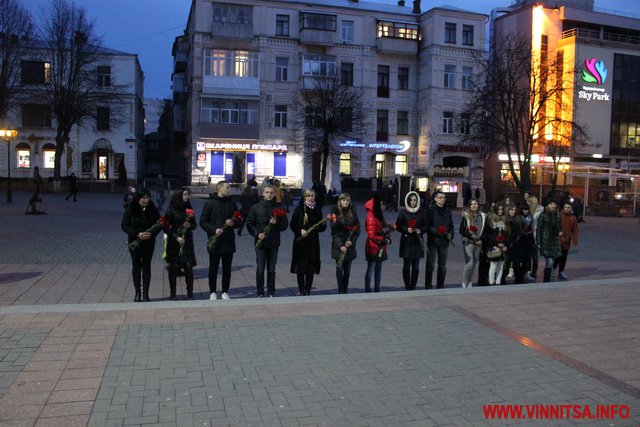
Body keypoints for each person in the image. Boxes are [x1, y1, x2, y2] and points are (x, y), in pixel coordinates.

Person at [200, 180, 241, 300]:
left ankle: (225, 291)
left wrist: (233, 222)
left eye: (229, 188)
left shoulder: (232, 203)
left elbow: (238, 220)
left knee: (227, 268)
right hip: (215, 241)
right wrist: (213, 230)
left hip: (228, 241)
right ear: (219, 189)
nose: (229, 190)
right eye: (227, 188)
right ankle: (212, 291)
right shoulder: (210, 203)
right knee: (213, 267)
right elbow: (203, 221)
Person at [246, 184, 289, 297]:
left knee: (271, 268)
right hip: (260, 243)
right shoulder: (255, 207)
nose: (269, 195)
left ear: (274, 193)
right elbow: (249, 224)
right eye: (267, 192)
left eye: (271, 192)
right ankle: (260, 291)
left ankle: (271, 291)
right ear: (262, 193)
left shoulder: (279, 208)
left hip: (274, 242)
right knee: (260, 268)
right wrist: (257, 234)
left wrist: (277, 223)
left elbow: (285, 225)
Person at [121, 188, 161, 302]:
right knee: (136, 267)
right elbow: (124, 225)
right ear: (138, 199)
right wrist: (137, 234)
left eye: (147, 198)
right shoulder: (131, 209)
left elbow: (160, 223)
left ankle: (146, 294)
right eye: (143, 198)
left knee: (147, 267)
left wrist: (151, 233)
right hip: (135, 242)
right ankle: (137, 293)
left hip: (148, 243)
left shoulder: (153, 209)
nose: (146, 200)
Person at [290, 189, 326, 296]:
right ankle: (301, 290)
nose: (310, 197)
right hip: (300, 242)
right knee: (301, 267)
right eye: (308, 196)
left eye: (312, 196)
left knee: (310, 267)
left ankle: (308, 290)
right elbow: (293, 224)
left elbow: (321, 227)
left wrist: (322, 224)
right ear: (304, 197)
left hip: (313, 242)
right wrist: (300, 230)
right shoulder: (299, 209)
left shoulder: (317, 209)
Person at [164, 189, 197, 300]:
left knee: (188, 266)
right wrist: (176, 237)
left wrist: (189, 225)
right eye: (185, 194)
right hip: (174, 242)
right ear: (179, 196)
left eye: (187, 194)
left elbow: (194, 224)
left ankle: (190, 292)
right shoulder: (171, 210)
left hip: (187, 241)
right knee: (174, 267)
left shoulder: (189, 209)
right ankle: (173, 293)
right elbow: (166, 227)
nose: (187, 196)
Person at [395, 191, 427, 290]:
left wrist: (420, 230)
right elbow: (398, 226)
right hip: (406, 241)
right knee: (406, 266)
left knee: (416, 266)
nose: (413, 202)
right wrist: (406, 229)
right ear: (408, 201)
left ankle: (413, 285)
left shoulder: (421, 211)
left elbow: (426, 225)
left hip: (417, 241)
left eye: (415, 200)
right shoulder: (403, 212)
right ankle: (407, 286)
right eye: (411, 200)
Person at [330, 193, 360, 294]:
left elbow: (357, 229)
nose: (346, 202)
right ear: (340, 201)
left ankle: (345, 289)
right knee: (339, 269)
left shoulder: (353, 212)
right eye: (344, 200)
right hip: (338, 247)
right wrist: (340, 245)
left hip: (349, 246)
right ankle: (340, 290)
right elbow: (334, 231)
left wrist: (351, 241)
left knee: (347, 270)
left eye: (347, 200)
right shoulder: (335, 213)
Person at [424, 190, 454, 289]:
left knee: (442, 265)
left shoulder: (448, 211)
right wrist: (438, 232)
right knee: (430, 265)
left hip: (444, 242)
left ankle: (440, 284)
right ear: (435, 199)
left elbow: (451, 225)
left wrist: (450, 234)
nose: (442, 199)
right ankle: (428, 284)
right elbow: (428, 226)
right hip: (433, 240)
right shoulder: (431, 210)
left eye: (444, 197)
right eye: (440, 197)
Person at [364, 194, 391, 292]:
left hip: (380, 247)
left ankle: (377, 288)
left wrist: (389, 229)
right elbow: (371, 235)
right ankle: (368, 288)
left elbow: (384, 227)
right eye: (380, 203)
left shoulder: (378, 215)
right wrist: (383, 239)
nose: (382, 205)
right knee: (371, 269)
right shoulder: (371, 217)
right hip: (373, 247)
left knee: (378, 269)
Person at [459, 198, 489, 288]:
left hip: (478, 243)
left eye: (475, 204)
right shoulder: (466, 216)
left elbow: (486, 231)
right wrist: (470, 236)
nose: (474, 206)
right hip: (468, 242)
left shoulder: (483, 216)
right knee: (470, 263)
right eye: (472, 204)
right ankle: (464, 281)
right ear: (469, 206)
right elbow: (462, 230)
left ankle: (470, 281)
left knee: (475, 263)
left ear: (478, 205)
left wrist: (481, 239)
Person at [536, 199, 562, 282]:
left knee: (553, 261)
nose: (553, 205)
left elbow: (560, 226)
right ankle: (546, 279)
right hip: (546, 241)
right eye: (551, 204)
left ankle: (549, 276)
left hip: (555, 241)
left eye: (554, 204)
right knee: (549, 262)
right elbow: (539, 229)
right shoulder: (543, 215)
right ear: (547, 205)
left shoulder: (557, 215)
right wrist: (539, 242)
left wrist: (560, 231)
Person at [554, 202, 579, 280]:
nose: (567, 209)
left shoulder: (573, 218)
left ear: (571, 208)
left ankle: (561, 271)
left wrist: (575, 240)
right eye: (566, 207)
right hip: (558, 239)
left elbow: (575, 230)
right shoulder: (559, 215)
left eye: (569, 207)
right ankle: (552, 268)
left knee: (564, 257)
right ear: (563, 208)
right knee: (557, 256)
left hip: (567, 240)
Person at [527, 196, 544, 281]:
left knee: (535, 255)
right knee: (529, 255)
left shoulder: (540, 211)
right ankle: (529, 271)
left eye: (529, 202)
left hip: (536, 234)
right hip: (530, 235)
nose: (527, 203)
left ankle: (533, 272)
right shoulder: (529, 211)